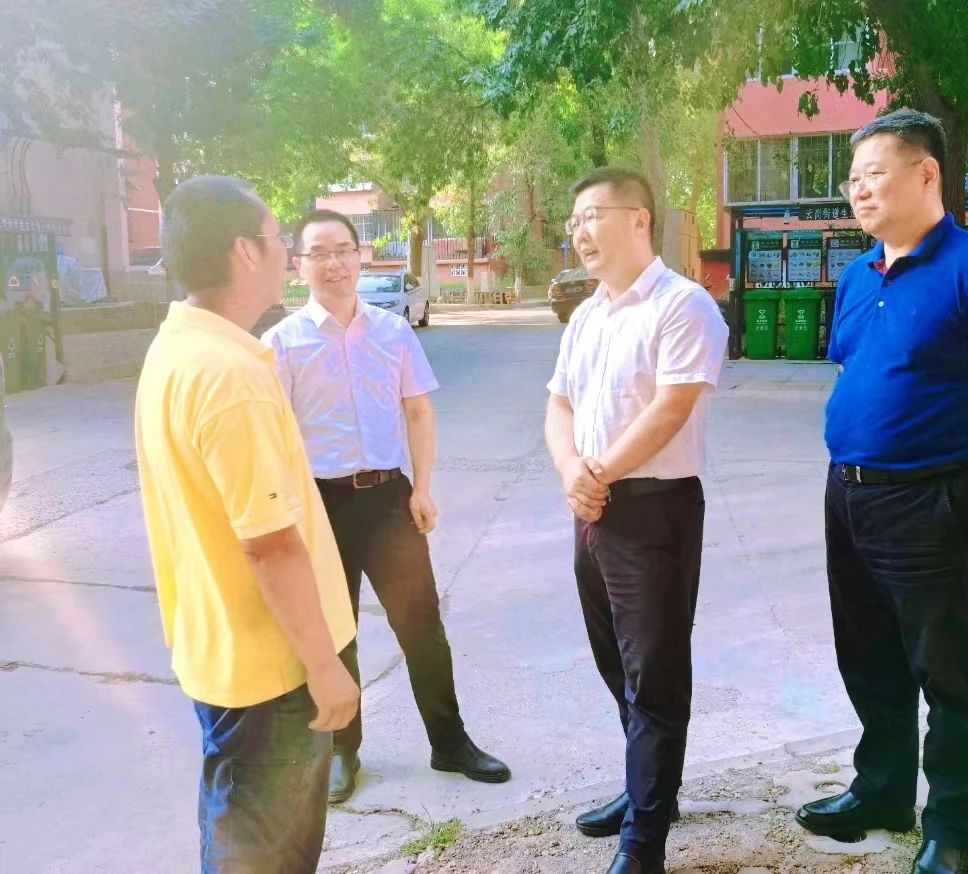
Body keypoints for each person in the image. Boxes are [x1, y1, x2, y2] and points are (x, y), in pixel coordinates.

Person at [794, 110, 968, 874]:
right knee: (868, 658)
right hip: (850, 495)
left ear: (926, 173)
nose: (858, 190)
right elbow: (857, 371)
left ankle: (951, 828)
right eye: (852, 179)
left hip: (936, 500)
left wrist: (967, 463)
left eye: (873, 174)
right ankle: (881, 792)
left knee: (948, 673)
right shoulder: (857, 275)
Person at [134, 176, 359, 873]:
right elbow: (269, 544)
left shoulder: (177, 348)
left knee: (236, 832)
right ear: (243, 251)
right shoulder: (229, 375)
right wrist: (324, 668)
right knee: (265, 856)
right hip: (271, 670)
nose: (288, 254)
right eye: (276, 239)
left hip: (222, 652)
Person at [263, 209, 510, 804]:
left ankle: (449, 743)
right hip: (320, 506)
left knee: (421, 625)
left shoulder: (392, 332)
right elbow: (273, 438)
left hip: (388, 499)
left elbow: (418, 412)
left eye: (343, 250)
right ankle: (342, 751)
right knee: (334, 632)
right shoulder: (281, 344)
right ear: (299, 265)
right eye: (319, 253)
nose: (333, 263)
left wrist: (421, 488)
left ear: (360, 257)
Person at [544, 167, 728, 874]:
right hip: (592, 510)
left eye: (591, 216)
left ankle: (644, 841)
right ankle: (647, 789)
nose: (580, 233)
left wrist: (597, 475)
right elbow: (559, 404)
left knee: (654, 674)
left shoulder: (683, 305)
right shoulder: (587, 315)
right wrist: (572, 471)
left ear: (639, 219)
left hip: (655, 509)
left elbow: (671, 407)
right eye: (574, 222)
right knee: (616, 662)